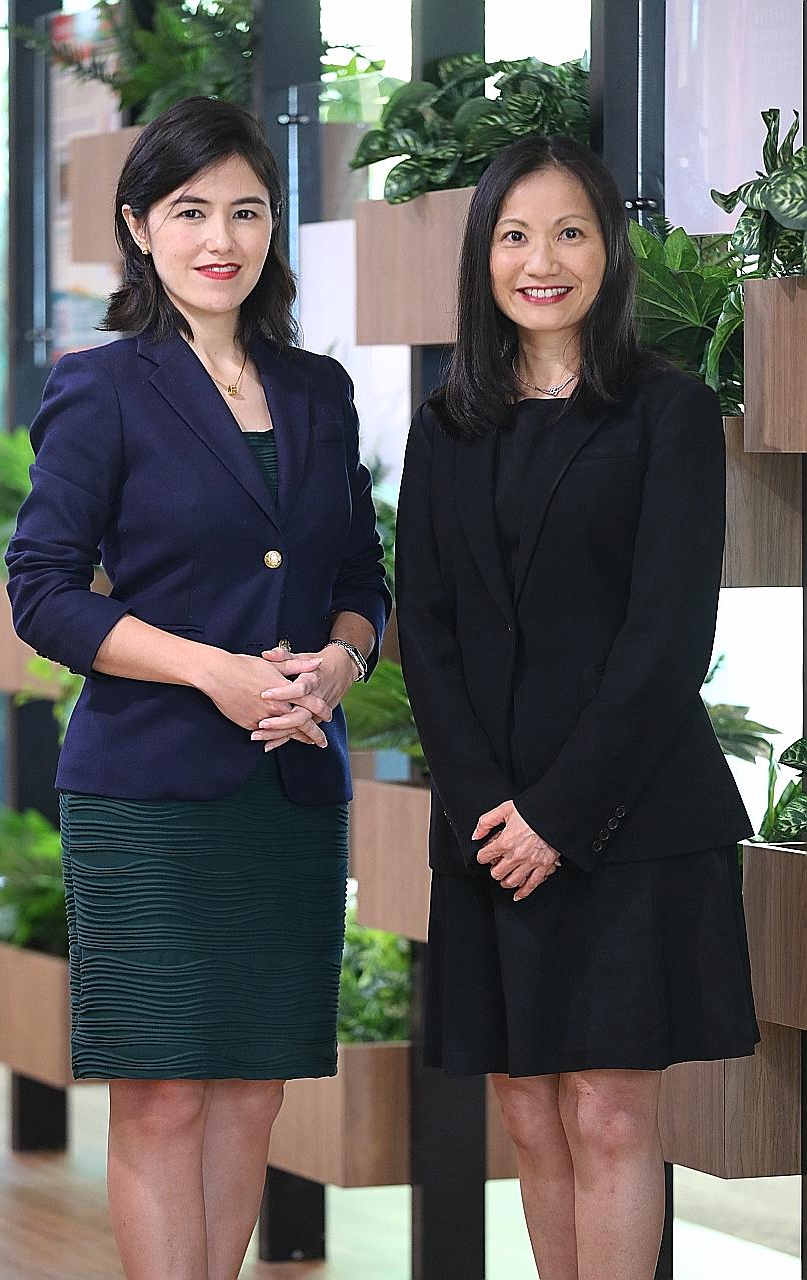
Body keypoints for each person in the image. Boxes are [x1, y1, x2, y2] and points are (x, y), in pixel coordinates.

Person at [5, 96, 390, 1280]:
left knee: (252, 1092)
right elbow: (44, 589)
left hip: (289, 790)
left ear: (273, 226)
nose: (219, 236)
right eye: (189, 210)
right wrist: (208, 669)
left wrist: (338, 661)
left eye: (245, 210)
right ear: (139, 226)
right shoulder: (103, 383)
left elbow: (362, 578)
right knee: (166, 1093)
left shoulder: (320, 389)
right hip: (151, 790)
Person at [395, 134, 758, 1280]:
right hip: (492, 831)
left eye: (569, 232)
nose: (540, 260)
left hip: (628, 827)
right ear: (482, 256)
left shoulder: (669, 412)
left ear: (608, 250)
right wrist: (486, 807)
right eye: (514, 235)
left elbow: (667, 641)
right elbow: (431, 631)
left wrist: (555, 814)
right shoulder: (444, 423)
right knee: (530, 1115)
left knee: (607, 1115)